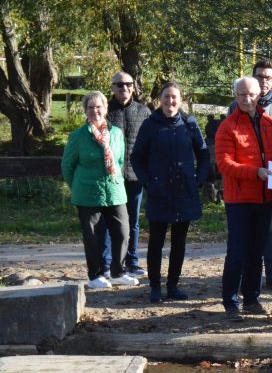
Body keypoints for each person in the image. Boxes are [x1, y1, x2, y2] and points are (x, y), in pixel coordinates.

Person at [131, 82, 210, 303]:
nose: (170, 102)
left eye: (174, 97)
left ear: (181, 100)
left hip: (185, 191)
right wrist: (148, 182)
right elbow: (136, 157)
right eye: (166, 97)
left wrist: (199, 178)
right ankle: (155, 287)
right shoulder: (150, 125)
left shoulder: (190, 123)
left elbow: (203, 154)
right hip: (159, 192)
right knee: (156, 242)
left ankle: (173, 285)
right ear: (161, 100)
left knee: (179, 242)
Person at [215, 77, 272, 321]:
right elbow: (224, 164)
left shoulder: (269, 123)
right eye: (241, 95)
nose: (247, 99)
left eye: (251, 94)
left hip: (266, 199)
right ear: (235, 96)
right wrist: (255, 173)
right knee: (237, 251)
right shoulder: (228, 126)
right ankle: (230, 300)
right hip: (240, 199)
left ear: (259, 95)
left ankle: (252, 298)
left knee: (257, 251)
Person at [61, 91, 140, 288]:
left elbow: (120, 160)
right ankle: (95, 275)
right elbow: (67, 166)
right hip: (87, 193)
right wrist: (78, 186)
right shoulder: (78, 136)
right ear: (85, 110)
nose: (95, 110)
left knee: (123, 232)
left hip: (114, 191)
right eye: (90, 107)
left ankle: (117, 271)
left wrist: (117, 181)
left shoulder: (116, 134)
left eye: (99, 107)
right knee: (93, 237)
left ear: (105, 109)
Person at [227, 60, 272, 293]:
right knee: (245, 238)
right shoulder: (235, 108)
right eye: (260, 77)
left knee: (271, 230)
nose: (264, 81)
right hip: (245, 184)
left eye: (268, 77)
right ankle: (246, 280)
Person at [98, 71, 152, 278]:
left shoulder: (143, 111)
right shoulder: (104, 111)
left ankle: (132, 261)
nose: (124, 88)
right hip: (110, 177)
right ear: (112, 87)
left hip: (135, 176)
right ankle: (107, 263)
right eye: (119, 84)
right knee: (108, 221)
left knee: (132, 221)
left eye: (128, 84)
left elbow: (150, 144)